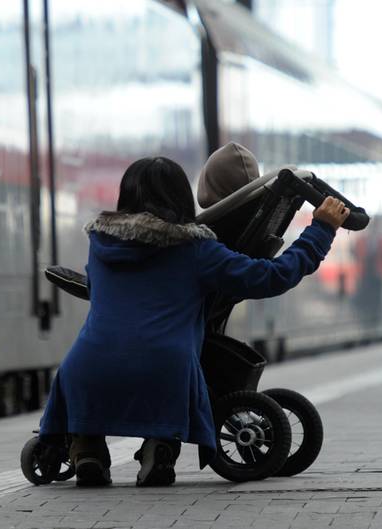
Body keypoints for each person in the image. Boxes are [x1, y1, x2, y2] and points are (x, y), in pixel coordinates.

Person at [38, 155, 349, 487]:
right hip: (165, 369)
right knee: (169, 382)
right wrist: (320, 230)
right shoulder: (197, 249)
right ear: (182, 197)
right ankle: (160, 448)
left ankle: (87, 451)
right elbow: (271, 277)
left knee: (87, 388)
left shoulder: (99, 245)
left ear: (125, 197)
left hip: (87, 367)